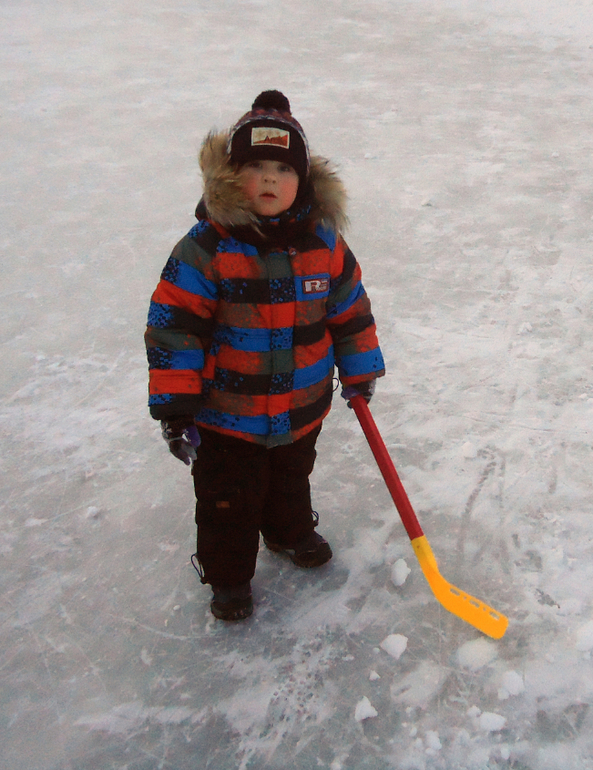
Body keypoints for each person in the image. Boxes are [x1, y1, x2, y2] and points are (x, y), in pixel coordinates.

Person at [145, 90, 385, 621]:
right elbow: (174, 328)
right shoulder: (207, 249)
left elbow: (350, 311)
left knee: (290, 482)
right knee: (227, 501)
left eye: (283, 168)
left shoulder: (324, 244)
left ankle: (288, 531)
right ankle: (229, 578)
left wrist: (360, 367)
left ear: (304, 181)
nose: (270, 179)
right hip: (227, 417)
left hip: (301, 408)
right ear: (232, 176)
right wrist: (176, 407)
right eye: (255, 167)